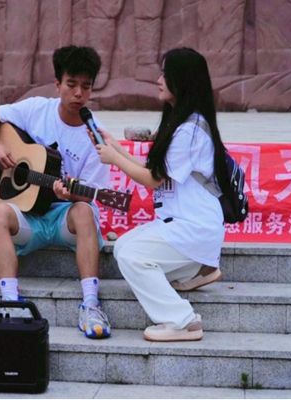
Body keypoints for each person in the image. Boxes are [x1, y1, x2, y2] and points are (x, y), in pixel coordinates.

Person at [93, 47, 227, 341]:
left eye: (166, 74)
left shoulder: (189, 130)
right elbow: (155, 171)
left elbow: (153, 180)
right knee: (123, 246)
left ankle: (182, 321)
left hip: (194, 226)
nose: (158, 80)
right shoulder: (184, 123)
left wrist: (114, 159)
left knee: (132, 256)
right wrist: (116, 147)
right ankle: (195, 271)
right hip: (183, 224)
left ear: (183, 80)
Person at [0, 45, 112, 339]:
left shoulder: (96, 136)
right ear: (57, 84)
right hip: (29, 216)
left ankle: (91, 303)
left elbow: (94, 193)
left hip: (65, 218)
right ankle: (10, 301)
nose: (78, 93)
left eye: (86, 87)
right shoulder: (37, 109)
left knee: (84, 211)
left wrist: (71, 194)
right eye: (71, 84)